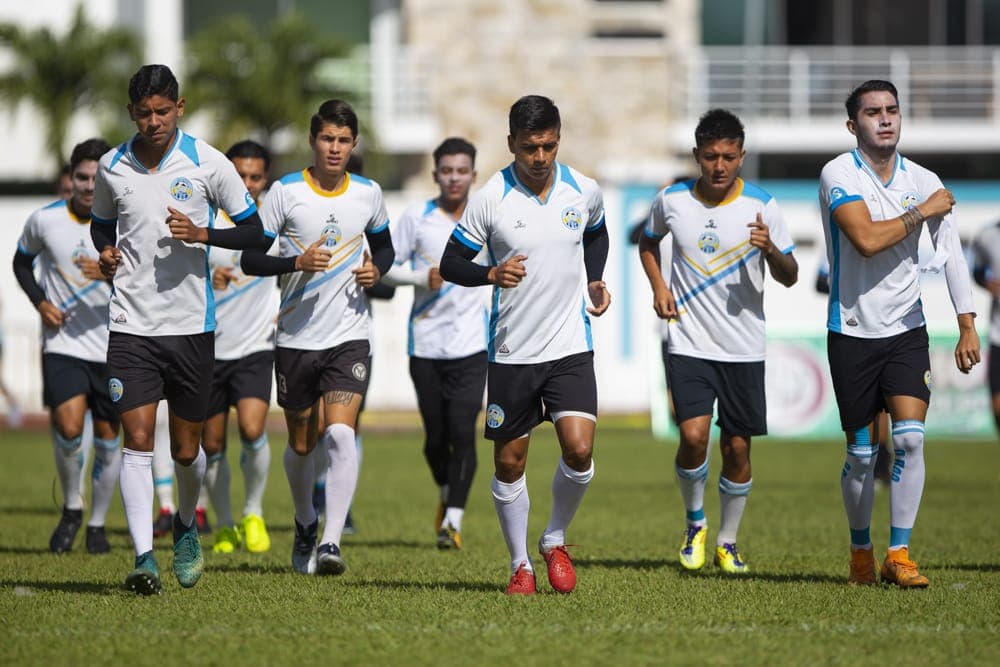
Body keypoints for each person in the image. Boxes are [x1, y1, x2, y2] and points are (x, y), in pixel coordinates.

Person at [90, 64, 267, 595]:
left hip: (191, 327)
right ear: (130, 114)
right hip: (130, 325)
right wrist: (105, 250)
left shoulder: (209, 163)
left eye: (162, 111)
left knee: (187, 452)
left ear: (179, 107)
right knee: (137, 439)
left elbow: (255, 234)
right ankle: (145, 556)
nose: (153, 121)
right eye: (143, 113)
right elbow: (102, 222)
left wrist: (203, 233)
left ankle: (187, 524)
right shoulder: (111, 166)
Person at [439, 95, 611, 595]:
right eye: (530, 147)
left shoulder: (583, 190)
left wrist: (595, 279)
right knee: (510, 463)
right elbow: (452, 264)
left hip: (569, 345)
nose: (540, 157)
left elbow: (596, 233)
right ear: (511, 142)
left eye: (550, 146)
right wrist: (490, 272)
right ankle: (520, 565)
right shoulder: (491, 197)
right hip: (512, 352)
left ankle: (553, 538)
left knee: (579, 450)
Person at [818, 79, 978, 588]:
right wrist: (922, 211)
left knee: (910, 439)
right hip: (852, 330)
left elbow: (950, 253)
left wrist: (967, 323)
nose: (884, 119)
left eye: (892, 110)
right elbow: (865, 239)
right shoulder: (839, 173)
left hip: (908, 328)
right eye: (872, 112)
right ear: (853, 125)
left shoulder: (924, 177)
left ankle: (899, 552)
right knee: (862, 455)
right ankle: (861, 551)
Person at [638, 109, 798, 576]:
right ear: (696, 156)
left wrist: (770, 250)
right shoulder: (671, 201)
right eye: (710, 157)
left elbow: (790, 276)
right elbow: (648, 244)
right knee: (692, 437)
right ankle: (695, 523)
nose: (720, 166)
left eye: (729, 156)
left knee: (738, 449)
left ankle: (728, 541)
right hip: (687, 340)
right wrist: (660, 288)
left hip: (743, 348)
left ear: (742, 157)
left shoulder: (763, 206)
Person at [240, 99, 394, 576]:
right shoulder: (285, 193)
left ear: (353, 145)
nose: (335, 148)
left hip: (350, 335)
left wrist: (376, 269)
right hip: (295, 338)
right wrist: (294, 263)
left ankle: (329, 541)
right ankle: (305, 520)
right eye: (327, 139)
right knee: (302, 442)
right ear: (313, 141)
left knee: (341, 434)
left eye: (344, 141)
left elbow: (385, 248)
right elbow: (250, 260)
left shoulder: (368, 193)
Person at [12, 138, 121, 554]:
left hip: (114, 345)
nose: (90, 186)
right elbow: (21, 262)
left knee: (111, 436)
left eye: (97, 178)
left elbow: (147, 279)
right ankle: (73, 506)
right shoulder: (44, 221)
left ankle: (96, 524)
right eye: (82, 177)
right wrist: (41, 302)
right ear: (70, 179)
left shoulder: (123, 225)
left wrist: (109, 273)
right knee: (70, 427)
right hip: (64, 344)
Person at [383, 137, 487, 550]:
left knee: (464, 432)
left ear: (473, 175)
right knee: (433, 440)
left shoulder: (484, 218)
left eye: (462, 171)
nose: (454, 178)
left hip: (472, 345)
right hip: (425, 344)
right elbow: (384, 267)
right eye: (447, 171)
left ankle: (454, 522)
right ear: (435, 175)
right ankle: (446, 493)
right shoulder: (417, 217)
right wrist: (418, 277)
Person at [201, 140, 276, 554]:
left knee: (251, 429)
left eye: (255, 176)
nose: (246, 184)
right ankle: (225, 524)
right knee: (211, 444)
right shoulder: (207, 218)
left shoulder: (272, 221)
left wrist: (289, 309)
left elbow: (295, 269)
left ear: (265, 178)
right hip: (209, 347)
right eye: (240, 175)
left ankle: (253, 511)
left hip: (255, 346)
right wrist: (206, 281)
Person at [815, 257, 892, 485]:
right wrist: (850, 285)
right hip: (850, 327)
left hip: (885, 328)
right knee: (864, 408)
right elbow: (819, 282)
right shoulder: (839, 234)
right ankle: (868, 463)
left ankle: (881, 461)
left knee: (884, 403)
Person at [971, 219, 1000, 435]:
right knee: (997, 403)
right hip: (998, 334)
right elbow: (978, 271)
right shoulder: (987, 235)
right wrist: (988, 283)